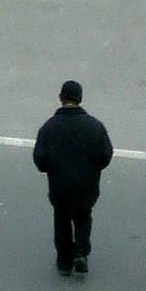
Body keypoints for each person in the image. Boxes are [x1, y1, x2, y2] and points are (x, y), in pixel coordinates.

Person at [32, 79, 114, 277]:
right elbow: (105, 154)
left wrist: (53, 168)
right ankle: (81, 252)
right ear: (80, 99)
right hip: (87, 183)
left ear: (61, 98)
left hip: (60, 184)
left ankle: (64, 261)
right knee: (83, 215)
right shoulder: (95, 126)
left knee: (61, 218)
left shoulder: (49, 127)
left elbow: (40, 160)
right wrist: (93, 169)